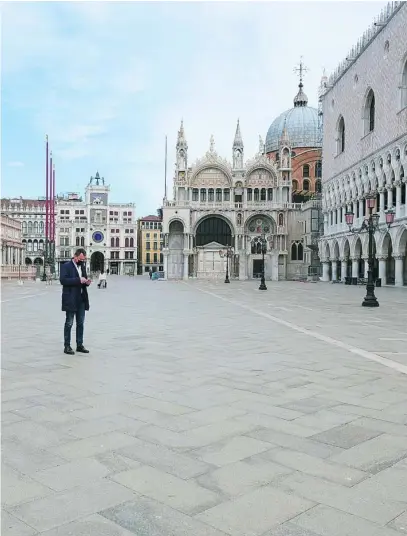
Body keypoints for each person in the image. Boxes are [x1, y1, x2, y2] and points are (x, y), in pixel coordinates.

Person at [60, 248, 91, 355]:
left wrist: (86, 282)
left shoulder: (82, 266)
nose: (82, 261)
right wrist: (78, 280)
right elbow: (63, 280)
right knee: (69, 323)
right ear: (75, 256)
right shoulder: (66, 266)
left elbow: (84, 278)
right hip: (71, 298)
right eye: (81, 259)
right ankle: (67, 346)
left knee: (81, 323)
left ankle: (79, 344)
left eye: (83, 259)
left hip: (81, 298)